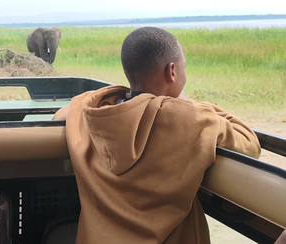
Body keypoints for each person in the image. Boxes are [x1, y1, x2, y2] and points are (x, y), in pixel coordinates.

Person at [53, 27, 261, 244]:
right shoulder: (192, 119)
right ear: (172, 71)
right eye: (184, 67)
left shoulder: (88, 111)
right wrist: (189, 104)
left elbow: (59, 117)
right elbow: (250, 143)